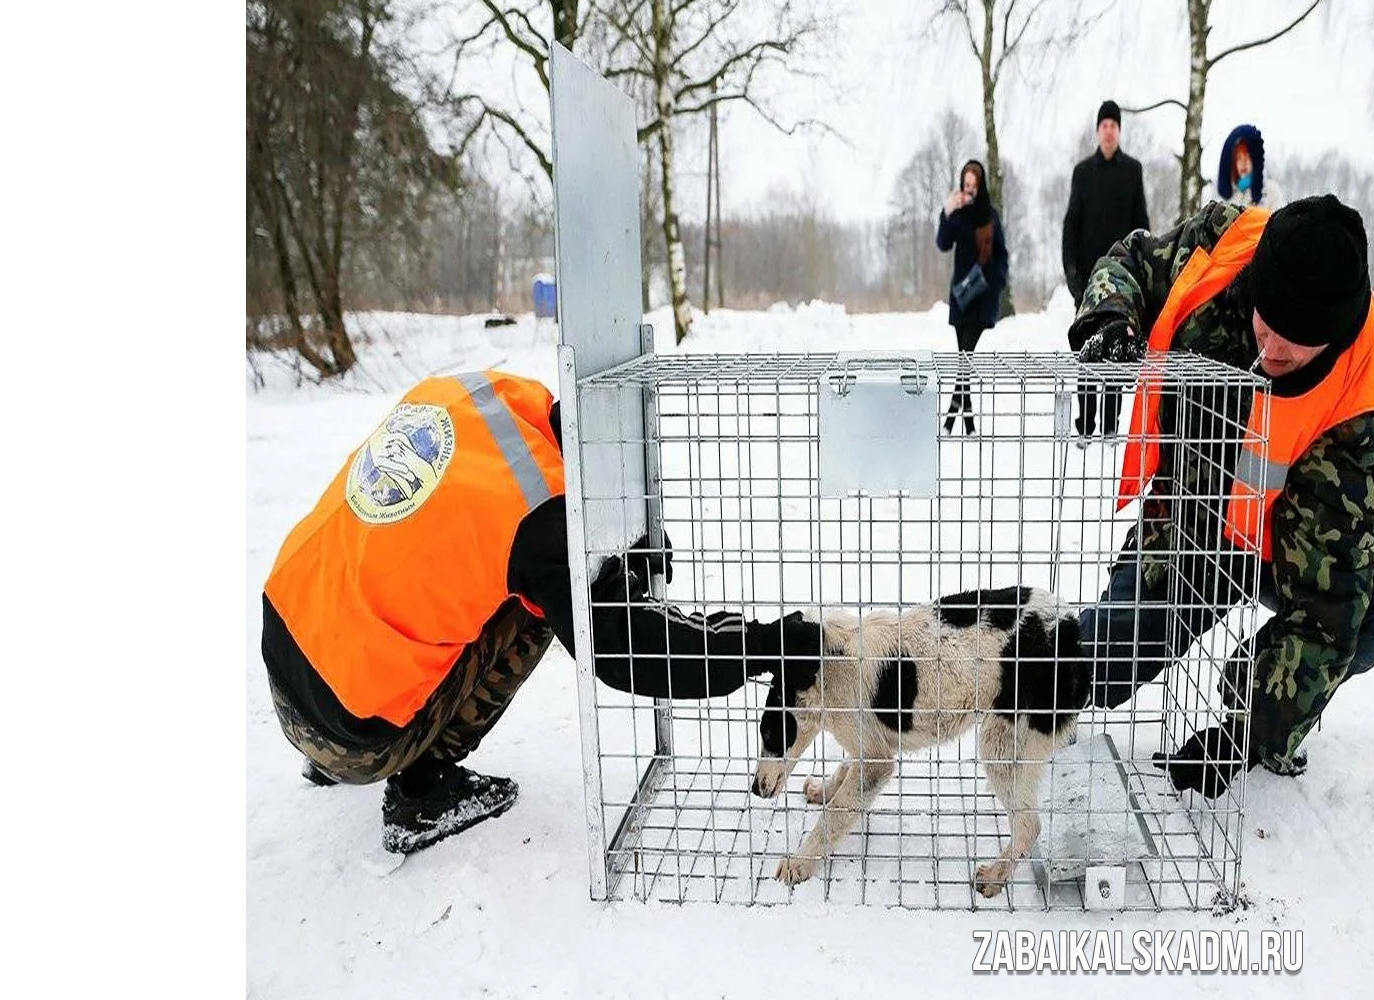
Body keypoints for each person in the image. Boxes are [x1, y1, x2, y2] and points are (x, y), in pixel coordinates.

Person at [261, 370, 820, 854]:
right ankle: (422, 789)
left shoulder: (487, 394)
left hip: (285, 651)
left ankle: (325, 757)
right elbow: (627, 649)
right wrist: (761, 644)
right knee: (538, 611)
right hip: (353, 733)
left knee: (456, 562)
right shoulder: (541, 520)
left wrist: (616, 545)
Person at [1068, 195, 1374, 798]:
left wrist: (1247, 732)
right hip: (1189, 526)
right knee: (1097, 663)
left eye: (1296, 340)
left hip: (1283, 549)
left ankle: (1254, 692)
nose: (1272, 346)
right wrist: (1110, 317)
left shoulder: (1361, 414)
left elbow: (1327, 605)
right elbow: (1131, 261)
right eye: (1267, 319)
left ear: (1335, 337)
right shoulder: (1223, 249)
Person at [1062, 99, 1150, 443]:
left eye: (1114, 125)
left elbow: (1141, 223)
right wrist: (1072, 276)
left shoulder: (1133, 170)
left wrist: (1139, 269)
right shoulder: (1083, 173)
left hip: (1120, 278)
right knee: (1087, 348)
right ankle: (1086, 422)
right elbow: (1071, 226)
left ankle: (1111, 423)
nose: (1109, 130)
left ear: (1119, 130)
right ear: (1097, 131)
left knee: (1115, 345)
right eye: (1104, 125)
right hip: (1086, 281)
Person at [935, 158, 1009, 436]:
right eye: (965, 185)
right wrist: (946, 211)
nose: (969, 191)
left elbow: (1002, 255)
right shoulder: (958, 215)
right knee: (964, 359)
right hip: (962, 297)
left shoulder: (990, 216)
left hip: (983, 298)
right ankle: (967, 424)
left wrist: (997, 284)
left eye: (973, 186)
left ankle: (952, 421)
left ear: (981, 187)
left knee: (965, 358)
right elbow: (943, 244)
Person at [1210, 123, 1283, 209]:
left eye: (1248, 156)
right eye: (1239, 158)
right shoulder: (1225, 202)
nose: (1243, 162)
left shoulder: (1271, 192)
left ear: (1256, 160)